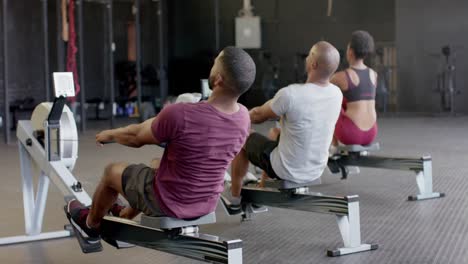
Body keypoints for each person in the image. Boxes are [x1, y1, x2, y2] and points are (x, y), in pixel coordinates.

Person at [66, 46, 256, 243]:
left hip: (168, 202)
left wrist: (110, 134)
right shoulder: (244, 118)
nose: (212, 66)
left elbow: (135, 137)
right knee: (156, 164)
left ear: (218, 80)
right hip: (206, 204)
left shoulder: (180, 113)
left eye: (216, 62)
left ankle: (91, 225)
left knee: (111, 171)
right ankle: (124, 216)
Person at [224, 41, 343, 212]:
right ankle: (263, 186)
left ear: (313, 63)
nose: (307, 58)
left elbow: (257, 115)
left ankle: (234, 197)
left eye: (309, 55)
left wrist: (233, 118)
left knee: (243, 135)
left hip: (288, 169)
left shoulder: (291, 94)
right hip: (316, 169)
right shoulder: (336, 93)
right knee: (275, 132)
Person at [331, 30, 378, 146]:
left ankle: (332, 147)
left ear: (350, 52)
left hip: (351, 133)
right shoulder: (374, 74)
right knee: (346, 101)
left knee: (330, 102)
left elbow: (320, 85)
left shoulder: (342, 76)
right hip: (371, 133)